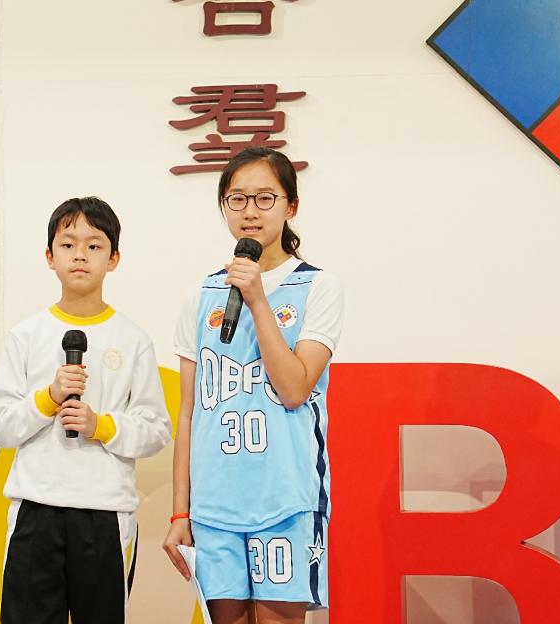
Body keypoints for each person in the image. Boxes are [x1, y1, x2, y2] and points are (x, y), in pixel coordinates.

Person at [163, 148, 344, 624]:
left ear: (291, 206)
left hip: (285, 499)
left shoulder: (318, 287)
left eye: (265, 198)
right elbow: (189, 412)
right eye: (237, 199)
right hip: (213, 505)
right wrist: (180, 512)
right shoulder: (199, 296)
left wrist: (258, 299)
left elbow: (294, 389)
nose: (250, 211)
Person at [0, 196, 173, 624]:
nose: (80, 255)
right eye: (68, 245)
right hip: (35, 509)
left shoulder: (132, 339)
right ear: (49, 256)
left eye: (94, 245)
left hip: (104, 512)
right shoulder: (26, 335)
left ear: (114, 259)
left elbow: (156, 429)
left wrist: (101, 425)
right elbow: (1, 425)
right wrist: (47, 398)